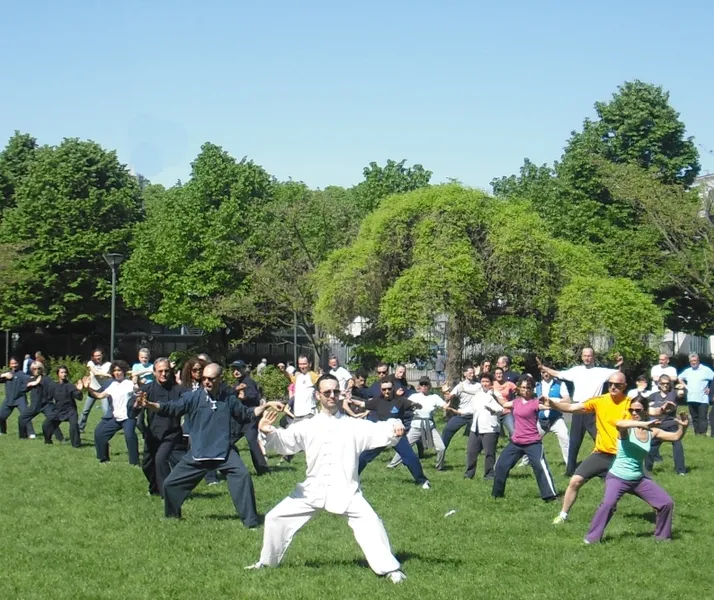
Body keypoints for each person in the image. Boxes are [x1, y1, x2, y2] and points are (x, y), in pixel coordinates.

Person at [245, 374, 407, 583]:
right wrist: (269, 432)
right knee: (275, 518)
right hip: (312, 490)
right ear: (317, 395)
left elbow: (379, 430)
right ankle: (266, 563)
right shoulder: (307, 425)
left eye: (336, 392)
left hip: (347, 491)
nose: (332, 396)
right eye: (327, 392)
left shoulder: (353, 425)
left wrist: (394, 426)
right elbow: (286, 442)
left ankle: (390, 569)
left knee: (371, 522)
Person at [136, 363, 281, 524]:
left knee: (243, 476)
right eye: (204, 378)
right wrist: (149, 405)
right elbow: (170, 408)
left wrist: (267, 405)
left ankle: (251, 521)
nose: (206, 382)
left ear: (219, 379)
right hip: (199, 453)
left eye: (211, 379)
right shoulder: (193, 397)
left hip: (224, 452)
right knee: (170, 484)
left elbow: (246, 414)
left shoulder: (228, 399)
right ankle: (172, 518)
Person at [545, 371, 675, 525]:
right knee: (575, 481)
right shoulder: (599, 401)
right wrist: (553, 404)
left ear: (624, 386)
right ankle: (563, 515)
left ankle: (661, 513)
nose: (613, 387)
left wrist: (661, 410)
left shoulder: (629, 403)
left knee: (645, 487)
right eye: (610, 384)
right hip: (601, 454)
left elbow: (649, 411)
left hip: (624, 456)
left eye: (617, 385)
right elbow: (572, 407)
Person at [584, 396, 687, 544]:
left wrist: (683, 426)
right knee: (608, 504)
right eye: (631, 410)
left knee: (666, 503)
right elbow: (619, 424)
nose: (634, 412)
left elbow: (676, 436)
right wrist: (643, 423)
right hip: (617, 477)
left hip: (638, 479)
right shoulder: (626, 429)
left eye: (637, 410)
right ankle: (592, 538)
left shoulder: (653, 432)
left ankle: (662, 538)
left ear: (645, 410)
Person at [539, 348, 624, 476]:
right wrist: (544, 367)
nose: (587, 358)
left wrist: (620, 364)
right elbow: (559, 374)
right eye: (585, 356)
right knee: (574, 441)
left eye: (589, 356)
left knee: (601, 439)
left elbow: (618, 375)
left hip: (594, 410)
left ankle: (607, 469)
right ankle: (570, 470)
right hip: (578, 409)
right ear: (582, 357)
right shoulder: (576, 371)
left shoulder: (600, 371)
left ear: (593, 357)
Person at [350, 380, 431, 489]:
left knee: (410, 457)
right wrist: (349, 399)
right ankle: (352, 478)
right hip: (382, 433)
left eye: (389, 389)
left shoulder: (400, 400)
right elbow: (362, 404)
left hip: (397, 433)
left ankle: (422, 481)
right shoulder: (377, 401)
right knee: (364, 456)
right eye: (384, 389)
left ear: (393, 388)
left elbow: (413, 405)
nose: (387, 391)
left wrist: (417, 405)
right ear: (381, 390)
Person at [492, 376, 557, 501]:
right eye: (523, 388)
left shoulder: (536, 403)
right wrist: (493, 392)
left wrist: (549, 402)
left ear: (532, 389)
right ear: (519, 389)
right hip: (516, 442)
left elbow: (549, 406)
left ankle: (550, 496)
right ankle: (497, 495)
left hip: (533, 443)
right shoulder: (516, 402)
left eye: (528, 388)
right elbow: (504, 403)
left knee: (540, 467)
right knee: (501, 465)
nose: (526, 390)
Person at [138, 359, 186, 496]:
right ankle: (155, 489)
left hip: (171, 433)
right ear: (154, 372)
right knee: (147, 465)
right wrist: (137, 404)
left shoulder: (178, 390)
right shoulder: (148, 389)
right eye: (160, 371)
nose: (164, 374)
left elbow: (189, 403)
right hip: (153, 434)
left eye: (166, 371)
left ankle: (168, 494)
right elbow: (134, 405)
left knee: (161, 459)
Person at [81, 360, 140, 465]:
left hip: (128, 417)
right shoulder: (112, 385)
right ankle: (104, 459)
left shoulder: (129, 384)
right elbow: (99, 396)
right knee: (100, 434)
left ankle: (134, 462)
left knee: (129, 436)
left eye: (119, 370)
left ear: (124, 371)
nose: (117, 373)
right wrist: (88, 388)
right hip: (116, 417)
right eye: (115, 370)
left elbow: (139, 391)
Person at [386, 377, 447, 470]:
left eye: (426, 384)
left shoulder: (434, 397)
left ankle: (439, 468)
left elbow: (445, 406)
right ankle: (392, 465)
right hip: (416, 426)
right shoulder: (414, 396)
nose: (424, 386)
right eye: (422, 384)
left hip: (430, 426)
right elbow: (403, 403)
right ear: (419, 386)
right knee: (405, 447)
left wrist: (447, 396)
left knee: (441, 448)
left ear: (429, 386)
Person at [230, 359, 270, 476]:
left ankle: (262, 469)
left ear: (244, 369)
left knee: (252, 443)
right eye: (234, 370)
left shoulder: (249, 382)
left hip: (249, 419)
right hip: (238, 419)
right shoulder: (237, 384)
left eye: (238, 369)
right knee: (227, 442)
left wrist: (245, 396)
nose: (236, 372)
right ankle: (231, 467)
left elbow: (255, 397)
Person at [645, 375, 686, 475]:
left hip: (672, 425)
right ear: (659, 384)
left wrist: (681, 388)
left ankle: (681, 471)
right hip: (658, 425)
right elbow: (647, 407)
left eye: (667, 383)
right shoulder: (653, 395)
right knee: (650, 447)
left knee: (678, 447)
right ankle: (646, 471)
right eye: (663, 383)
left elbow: (681, 394)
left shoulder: (673, 394)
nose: (665, 385)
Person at [465, 372, 503, 480]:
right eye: (483, 381)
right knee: (471, 451)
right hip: (476, 428)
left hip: (490, 428)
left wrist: (493, 408)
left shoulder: (495, 394)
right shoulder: (478, 394)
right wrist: (459, 411)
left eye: (487, 381)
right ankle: (469, 474)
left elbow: (501, 408)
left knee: (489, 453)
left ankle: (489, 474)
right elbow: (472, 408)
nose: (485, 383)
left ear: (491, 383)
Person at [441, 366, 480, 468]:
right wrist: (445, 392)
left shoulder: (479, 386)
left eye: (473, 373)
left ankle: (474, 461)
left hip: (475, 416)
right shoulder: (460, 386)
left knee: (477, 439)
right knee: (446, 431)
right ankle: (440, 455)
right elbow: (449, 397)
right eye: (470, 373)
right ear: (465, 374)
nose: (472, 374)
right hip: (461, 414)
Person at [19, 361, 65, 443]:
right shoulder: (31, 379)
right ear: (31, 370)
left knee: (52, 419)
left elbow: (54, 387)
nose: (37, 370)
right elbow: (22, 390)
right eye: (34, 368)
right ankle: (22, 437)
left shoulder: (46, 379)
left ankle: (61, 438)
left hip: (46, 404)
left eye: (39, 368)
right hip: (34, 406)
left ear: (42, 369)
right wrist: (31, 384)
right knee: (22, 418)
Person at [42, 365, 83, 448]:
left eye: (65, 372)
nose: (64, 374)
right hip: (58, 410)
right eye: (62, 372)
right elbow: (48, 399)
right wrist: (51, 410)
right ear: (58, 374)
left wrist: (79, 390)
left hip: (70, 411)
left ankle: (76, 445)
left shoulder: (70, 385)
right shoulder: (53, 386)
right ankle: (48, 441)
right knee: (46, 425)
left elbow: (79, 397)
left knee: (74, 425)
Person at [678, 353, 714, 435]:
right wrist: (685, 386)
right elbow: (679, 377)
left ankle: (702, 434)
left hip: (702, 399)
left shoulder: (705, 370)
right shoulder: (688, 371)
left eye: (695, 361)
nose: (693, 362)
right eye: (691, 361)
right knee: (694, 418)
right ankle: (697, 434)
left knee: (702, 418)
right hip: (691, 398)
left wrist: (710, 389)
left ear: (698, 360)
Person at [78, 349, 113, 433]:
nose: (98, 357)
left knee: (106, 411)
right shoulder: (90, 363)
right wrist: (107, 375)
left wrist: (103, 375)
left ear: (102, 355)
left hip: (104, 390)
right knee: (85, 410)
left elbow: (100, 375)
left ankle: (107, 428)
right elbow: (97, 374)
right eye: (96, 356)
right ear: (93, 357)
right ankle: (79, 428)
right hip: (93, 390)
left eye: (99, 355)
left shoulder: (108, 364)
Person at [0, 357, 34, 438]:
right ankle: (2, 431)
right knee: (1, 416)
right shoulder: (7, 374)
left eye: (15, 363)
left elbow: (30, 380)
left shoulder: (22, 375)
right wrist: (3, 375)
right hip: (9, 400)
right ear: (9, 364)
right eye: (12, 363)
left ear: (18, 364)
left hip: (20, 399)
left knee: (25, 415)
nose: (14, 365)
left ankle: (31, 433)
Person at [280, 355, 319, 421]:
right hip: (297, 414)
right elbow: (290, 378)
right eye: (300, 364)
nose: (302, 366)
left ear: (310, 364)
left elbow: (323, 383)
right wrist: (284, 370)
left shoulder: (313, 375)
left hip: (308, 414)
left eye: (304, 364)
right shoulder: (299, 376)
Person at [492, 367, 517, 437]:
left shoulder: (509, 384)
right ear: (494, 375)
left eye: (500, 373)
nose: (499, 375)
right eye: (497, 374)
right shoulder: (492, 385)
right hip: (495, 412)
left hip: (506, 412)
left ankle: (515, 445)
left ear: (503, 374)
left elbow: (518, 391)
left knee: (513, 431)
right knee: (493, 434)